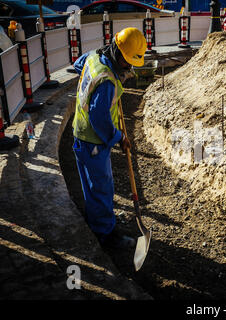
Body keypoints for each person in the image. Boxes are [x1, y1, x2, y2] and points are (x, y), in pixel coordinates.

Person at [72, 27, 147, 249]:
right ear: (117, 52)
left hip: (80, 132)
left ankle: (97, 220)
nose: (129, 66)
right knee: (102, 187)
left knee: (92, 186)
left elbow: (78, 65)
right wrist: (117, 136)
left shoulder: (94, 56)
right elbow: (99, 118)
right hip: (94, 140)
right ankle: (105, 235)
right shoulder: (106, 81)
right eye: (126, 62)